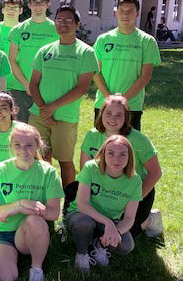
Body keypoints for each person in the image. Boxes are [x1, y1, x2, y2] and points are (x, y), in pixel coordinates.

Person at [65, 95, 162, 238]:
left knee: (127, 234)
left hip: (130, 191)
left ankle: (150, 219)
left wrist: (133, 198)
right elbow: (85, 171)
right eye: (108, 113)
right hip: (101, 190)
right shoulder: (92, 135)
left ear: (126, 118)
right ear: (101, 113)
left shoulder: (138, 139)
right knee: (94, 229)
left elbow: (156, 172)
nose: (112, 119)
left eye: (119, 115)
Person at [28, 5, 98, 187]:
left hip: (65, 117)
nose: (63, 24)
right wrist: (44, 109)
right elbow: (33, 83)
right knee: (40, 159)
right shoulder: (45, 51)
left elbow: (82, 88)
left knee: (65, 161)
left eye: (68, 20)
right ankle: (44, 198)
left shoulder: (86, 52)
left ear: (77, 24)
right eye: (59, 20)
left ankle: (69, 203)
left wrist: (53, 107)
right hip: (39, 115)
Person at [0, 124, 63, 281]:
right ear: (11, 146)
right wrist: (20, 205)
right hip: (1, 232)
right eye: (17, 145)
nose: (23, 150)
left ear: (38, 146)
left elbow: (54, 213)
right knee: (4, 280)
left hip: (29, 233)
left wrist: (21, 209)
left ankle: (36, 268)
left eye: (29, 145)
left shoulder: (48, 172)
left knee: (35, 221)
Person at [66, 135, 142, 272]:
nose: (116, 159)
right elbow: (82, 204)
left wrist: (116, 231)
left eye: (122, 154)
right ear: (103, 154)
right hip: (82, 214)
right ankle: (82, 253)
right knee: (84, 224)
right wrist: (108, 223)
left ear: (130, 157)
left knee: (126, 245)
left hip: (111, 221)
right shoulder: (91, 168)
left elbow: (130, 218)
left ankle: (100, 245)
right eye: (111, 153)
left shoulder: (135, 180)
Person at [92, 0, 161, 131]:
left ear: (137, 14)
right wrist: (109, 99)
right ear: (116, 13)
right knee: (101, 147)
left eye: (130, 11)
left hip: (131, 106)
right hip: (103, 104)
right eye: (122, 11)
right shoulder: (103, 39)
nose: (125, 15)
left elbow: (145, 76)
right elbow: (95, 72)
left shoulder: (147, 41)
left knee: (129, 148)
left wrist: (123, 100)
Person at [7, 0, 59, 123]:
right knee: (20, 129)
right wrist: (27, 85)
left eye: (42, 2)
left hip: (46, 89)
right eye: (34, 2)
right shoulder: (18, 30)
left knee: (43, 130)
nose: (38, 6)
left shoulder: (56, 29)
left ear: (48, 5)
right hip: (21, 89)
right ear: (29, 5)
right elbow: (12, 60)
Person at [0, 0, 24, 93]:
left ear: (21, 11)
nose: (11, 11)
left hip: (18, 85)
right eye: (8, 8)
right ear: (2, 10)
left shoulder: (24, 31)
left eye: (15, 8)